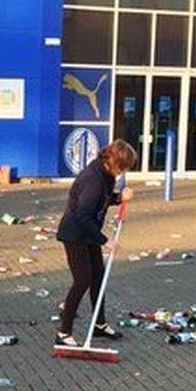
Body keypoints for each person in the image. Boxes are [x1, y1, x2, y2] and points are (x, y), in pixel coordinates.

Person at [54, 139, 136, 348]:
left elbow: (103, 199)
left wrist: (118, 198)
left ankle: (99, 324)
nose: (122, 172)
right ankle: (64, 333)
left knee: (98, 277)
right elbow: (83, 215)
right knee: (83, 280)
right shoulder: (93, 179)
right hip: (75, 234)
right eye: (122, 167)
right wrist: (104, 240)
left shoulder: (106, 175)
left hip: (88, 232)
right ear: (113, 162)